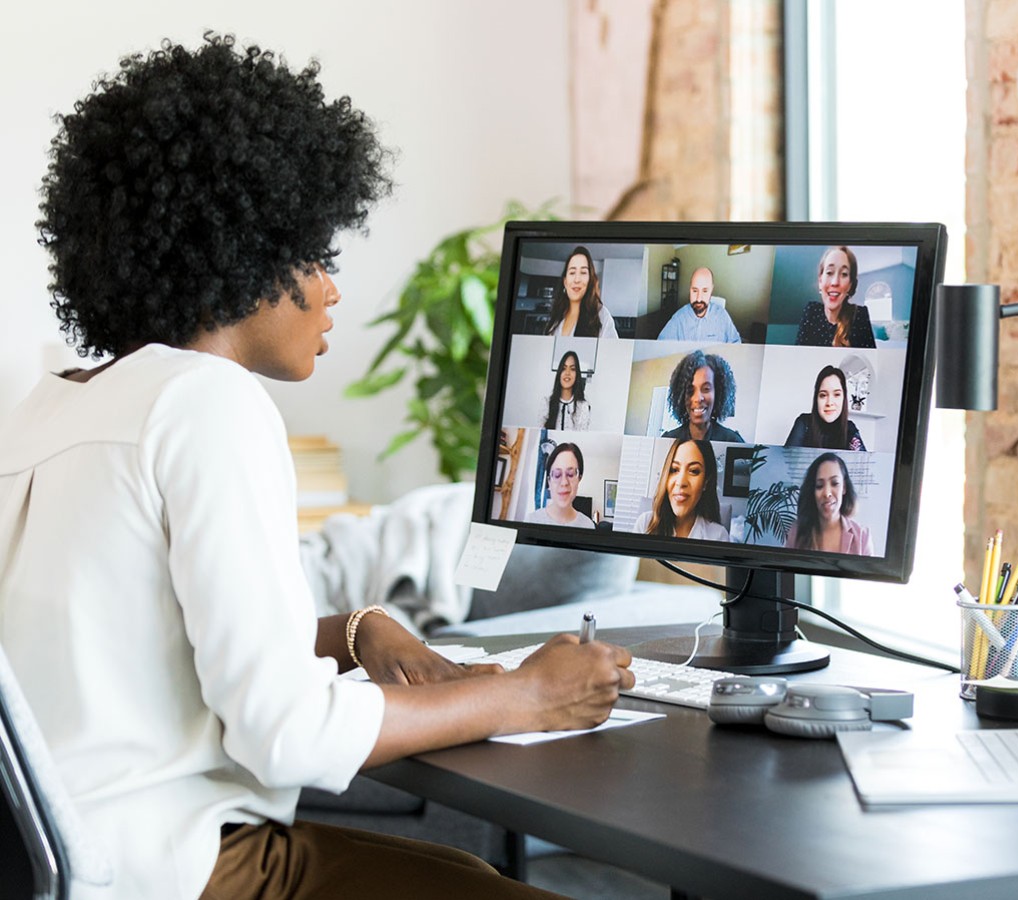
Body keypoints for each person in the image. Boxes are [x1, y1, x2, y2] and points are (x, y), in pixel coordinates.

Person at [0, 35, 632, 900]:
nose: (331, 287)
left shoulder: (46, 411)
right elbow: (286, 734)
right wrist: (524, 696)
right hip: (187, 875)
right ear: (241, 253)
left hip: (72, 870)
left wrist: (352, 626)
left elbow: (147, 643)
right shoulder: (207, 403)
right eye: (311, 254)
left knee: (458, 875)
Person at [634, 439, 729, 540]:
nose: (681, 482)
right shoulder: (644, 524)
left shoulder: (719, 535)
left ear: (706, 482)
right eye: (674, 470)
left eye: (693, 471)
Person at [785, 452, 874, 555]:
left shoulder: (862, 536)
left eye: (835, 483)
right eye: (819, 485)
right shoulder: (796, 533)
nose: (827, 493)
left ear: (844, 487)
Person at [794, 246, 876, 348]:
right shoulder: (811, 311)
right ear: (820, 281)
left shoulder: (860, 315)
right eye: (829, 272)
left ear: (850, 285)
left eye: (844, 274)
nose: (835, 282)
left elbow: (868, 361)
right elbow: (799, 356)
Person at [660, 349, 744, 442]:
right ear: (681, 396)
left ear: (718, 393)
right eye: (690, 391)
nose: (698, 398)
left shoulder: (732, 441)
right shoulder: (668, 440)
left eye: (706, 389)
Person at [784, 365, 867, 450]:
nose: (829, 403)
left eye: (837, 394)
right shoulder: (804, 423)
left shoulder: (850, 428)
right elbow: (786, 459)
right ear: (816, 399)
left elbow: (863, 461)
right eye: (823, 395)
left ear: (844, 398)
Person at [544, 245, 618, 338]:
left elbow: (611, 351)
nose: (577, 279)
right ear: (565, 282)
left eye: (583, 272)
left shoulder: (601, 316)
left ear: (590, 280)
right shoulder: (557, 315)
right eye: (572, 272)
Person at [656, 266, 741, 342]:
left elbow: (736, 344)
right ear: (690, 290)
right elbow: (661, 346)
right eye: (695, 291)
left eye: (705, 291)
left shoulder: (722, 316)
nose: (699, 298)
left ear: (711, 290)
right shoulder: (679, 318)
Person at [525, 442, 595, 528]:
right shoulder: (531, 521)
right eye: (557, 475)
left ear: (579, 478)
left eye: (570, 474)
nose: (564, 482)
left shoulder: (588, 526)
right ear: (549, 481)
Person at [543, 350, 590, 430]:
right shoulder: (546, 402)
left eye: (572, 369)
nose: (567, 373)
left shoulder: (583, 406)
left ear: (577, 375)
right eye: (564, 368)